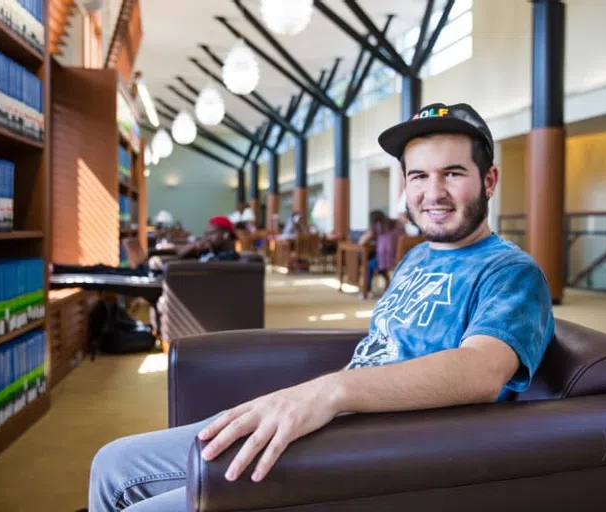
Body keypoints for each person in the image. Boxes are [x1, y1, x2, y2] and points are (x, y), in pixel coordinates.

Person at [87, 102, 555, 511]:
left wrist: (332, 393)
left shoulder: (511, 272)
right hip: (329, 420)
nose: (433, 193)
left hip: (383, 447)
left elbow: (481, 370)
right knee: (110, 463)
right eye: (419, 176)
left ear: (489, 180)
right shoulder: (418, 257)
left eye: (453, 174)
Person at [358, 209, 404, 297]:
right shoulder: (398, 224)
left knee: (369, 265)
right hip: (400, 259)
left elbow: (362, 241)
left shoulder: (378, 226)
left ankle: (367, 291)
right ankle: (388, 284)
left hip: (385, 260)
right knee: (376, 263)